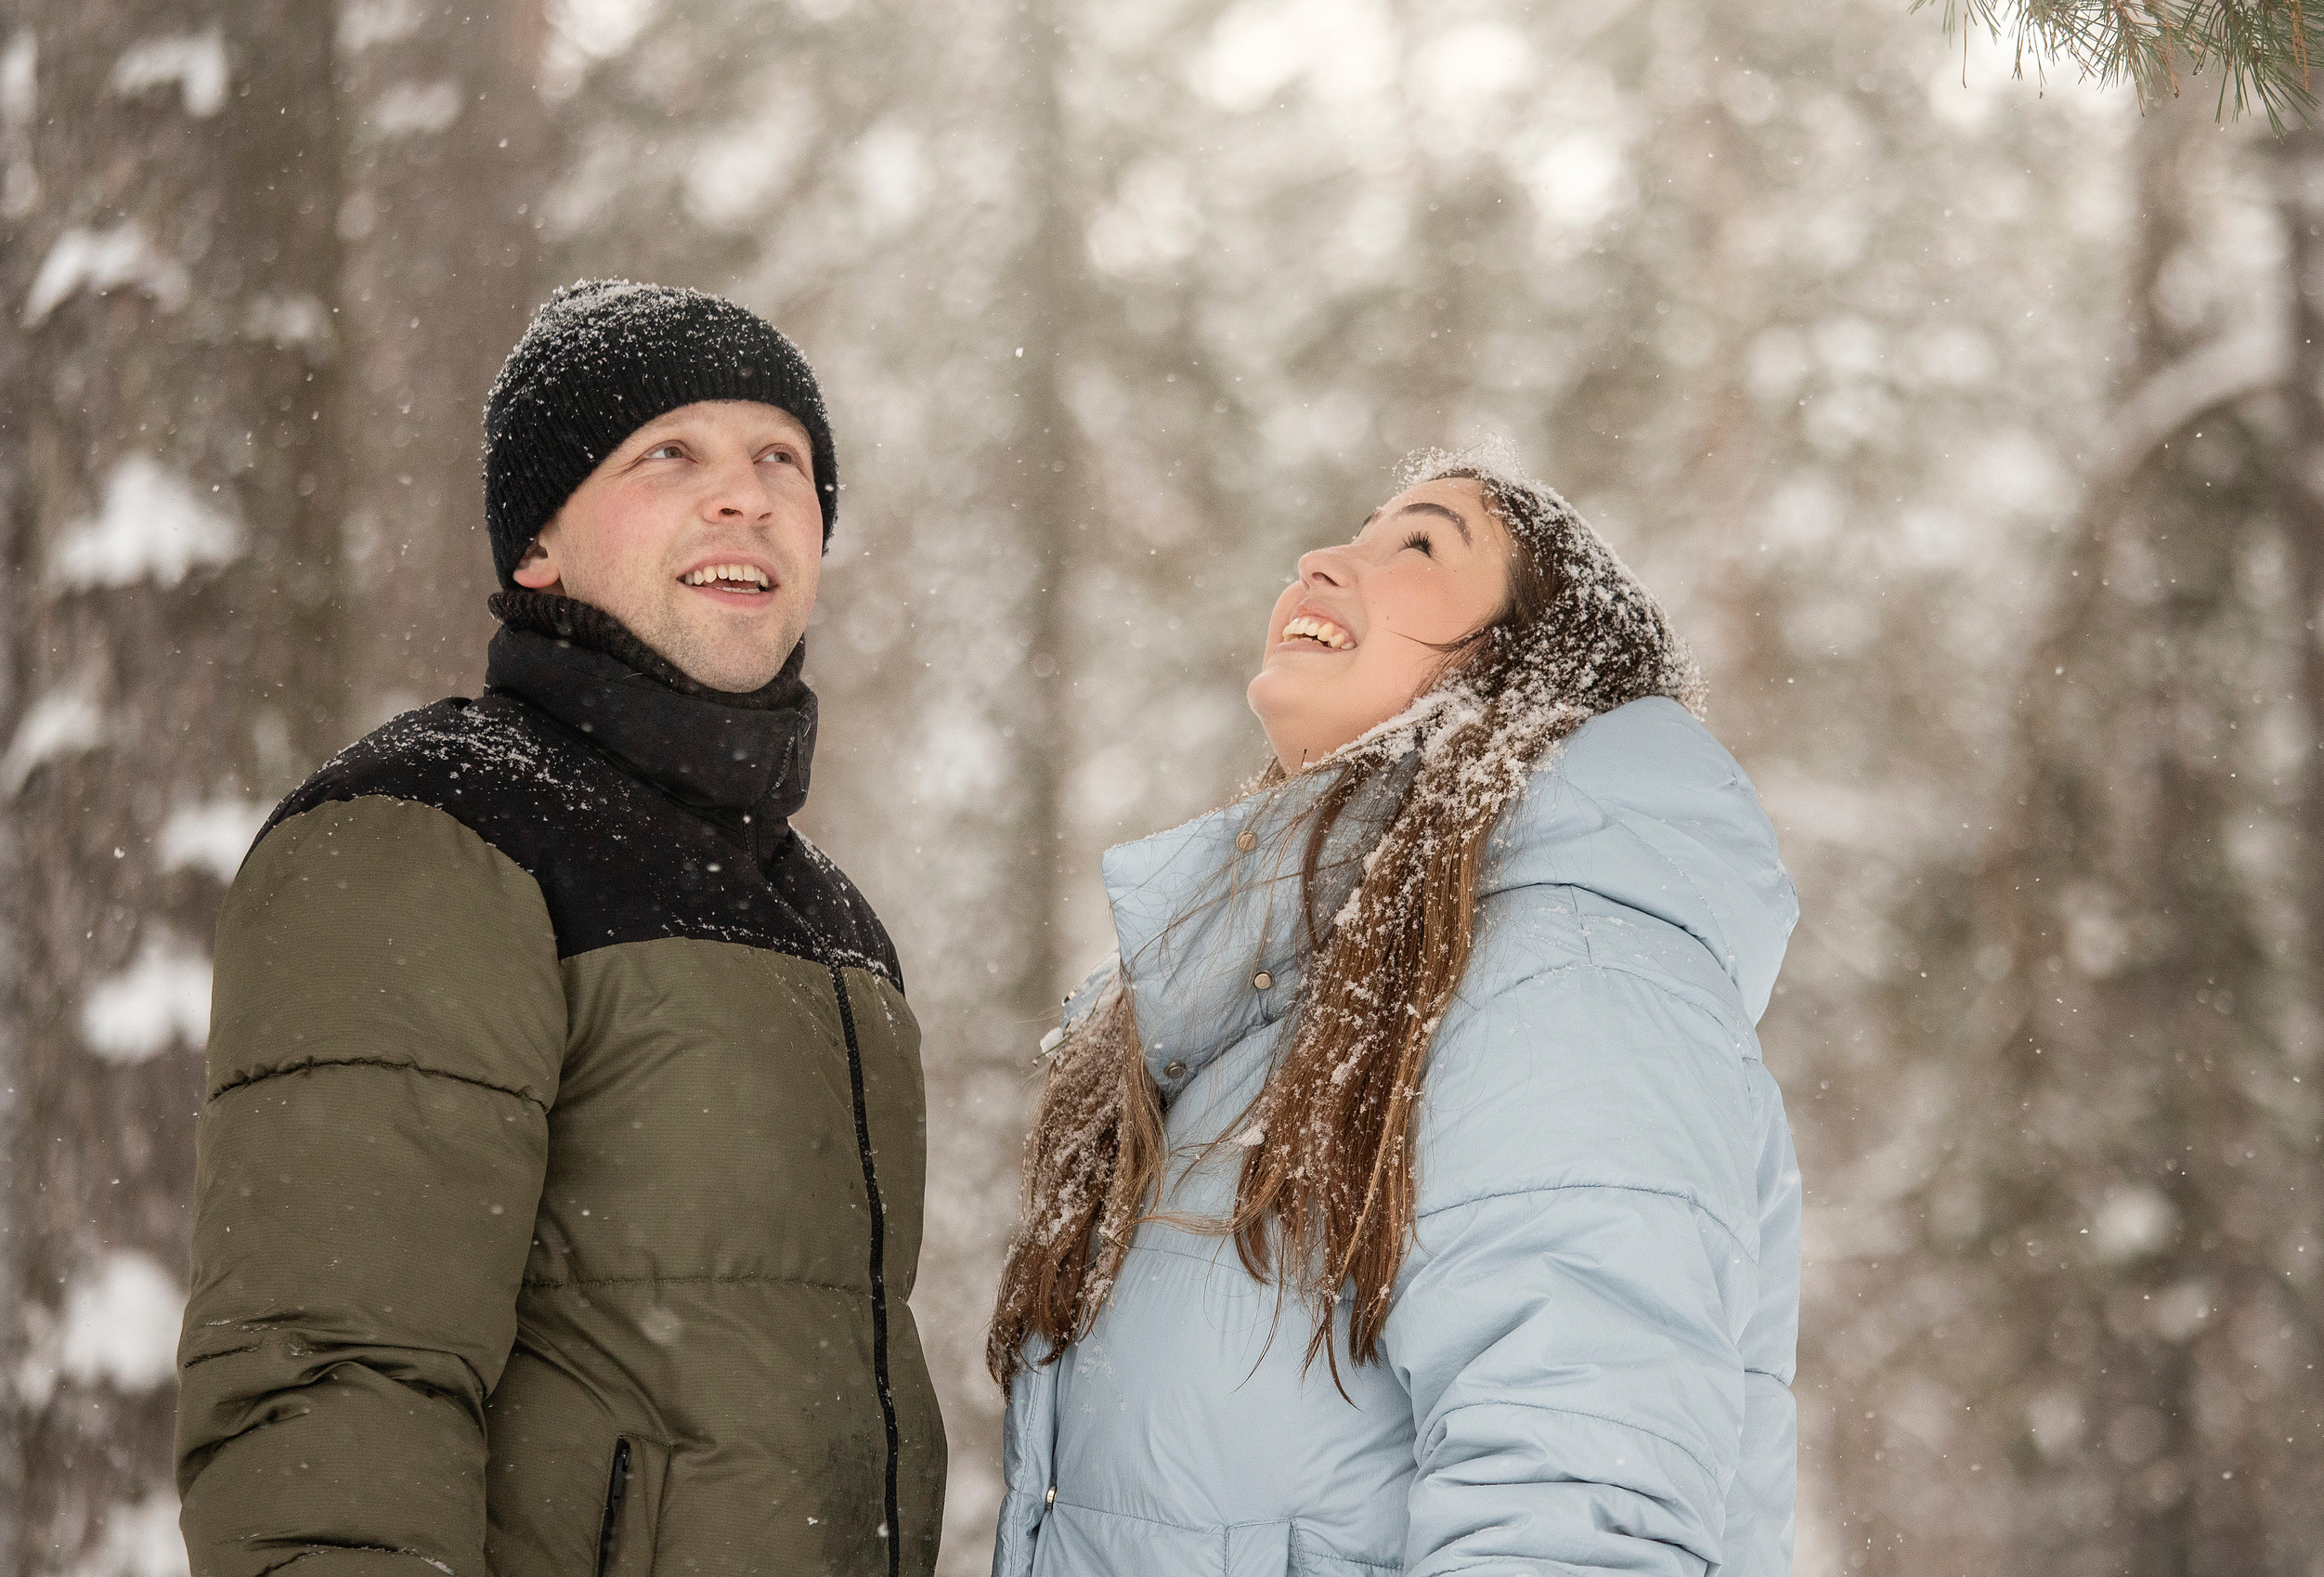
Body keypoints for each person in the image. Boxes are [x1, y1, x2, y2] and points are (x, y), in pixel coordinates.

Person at [175, 281, 944, 1577]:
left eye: (783, 459)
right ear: (537, 540)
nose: (747, 493)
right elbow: (329, 1380)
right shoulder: (426, 829)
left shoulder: (834, 922)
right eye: (670, 452)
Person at [989, 450, 1801, 1576]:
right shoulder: (1315, 998)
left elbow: (1572, 1514)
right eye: (1348, 535)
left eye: (1417, 543)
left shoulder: (1569, 975)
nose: (1318, 560)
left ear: (1528, 667)